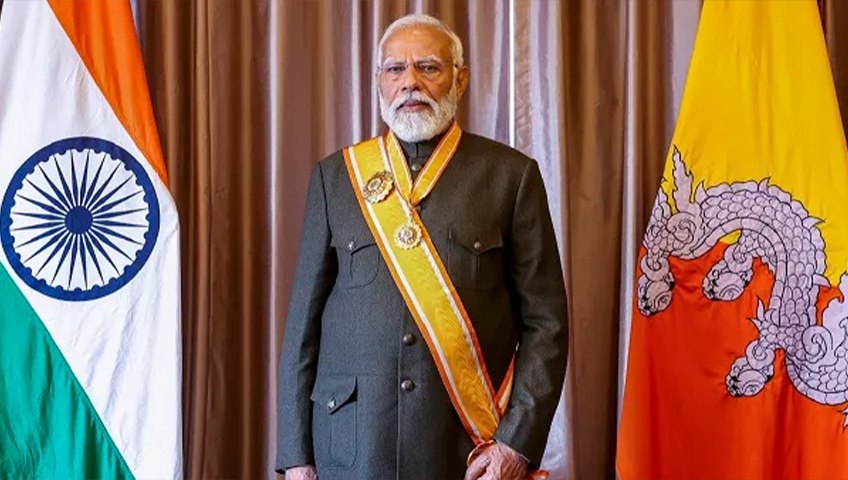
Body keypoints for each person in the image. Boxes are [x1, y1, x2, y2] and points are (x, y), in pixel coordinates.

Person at [276, 14, 568, 480]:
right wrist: (296, 456)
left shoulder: (511, 177)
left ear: (460, 78)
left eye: (428, 67)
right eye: (395, 69)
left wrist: (516, 443)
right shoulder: (336, 178)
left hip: (465, 451)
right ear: (379, 81)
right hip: (350, 449)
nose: (409, 81)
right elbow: (302, 329)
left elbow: (547, 324)